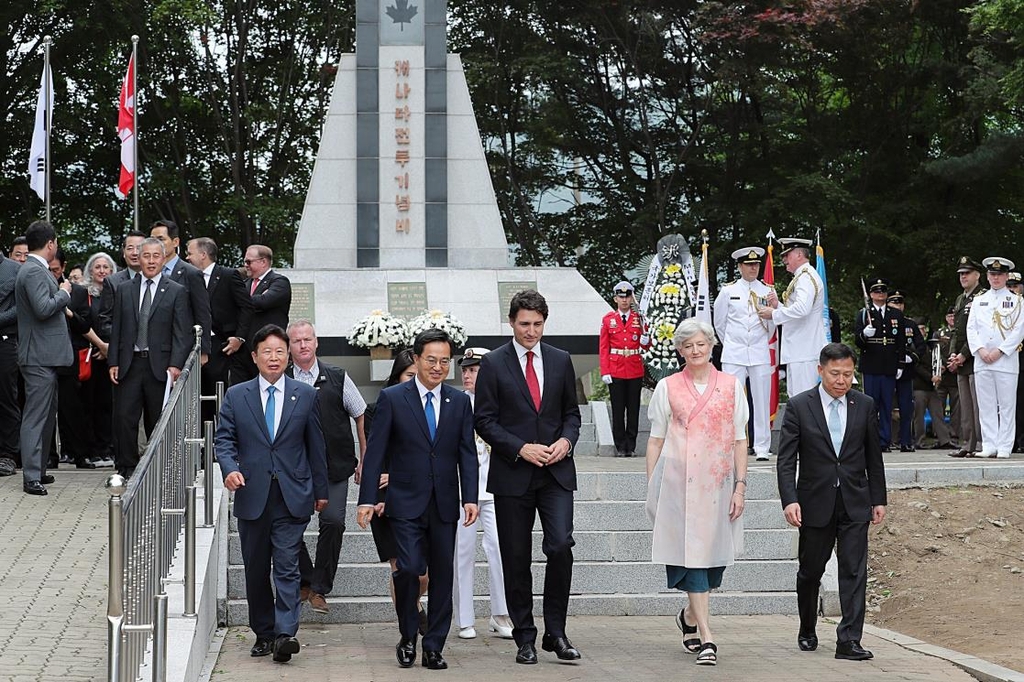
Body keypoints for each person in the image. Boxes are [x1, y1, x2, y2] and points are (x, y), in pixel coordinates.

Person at [356, 328, 479, 671]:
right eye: (431, 360)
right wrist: (367, 499)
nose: (438, 367)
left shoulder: (459, 402)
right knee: (409, 568)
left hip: (444, 503)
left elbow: (466, 453)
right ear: (417, 359)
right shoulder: (394, 398)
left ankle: (434, 645)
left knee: (442, 575)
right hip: (404, 502)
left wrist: (470, 497)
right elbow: (376, 452)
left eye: (444, 361)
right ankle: (408, 633)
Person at [474, 289, 583, 665]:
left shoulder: (560, 359)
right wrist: (520, 448)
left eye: (537, 324)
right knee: (516, 558)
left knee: (560, 546)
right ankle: (525, 636)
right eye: (524, 324)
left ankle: (557, 631)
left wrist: (567, 441)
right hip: (513, 474)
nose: (531, 331)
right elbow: (484, 420)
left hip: (555, 473)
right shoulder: (493, 364)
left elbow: (572, 412)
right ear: (511, 322)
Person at [215, 324, 328, 664]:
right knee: (255, 567)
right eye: (267, 351)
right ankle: (263, 633)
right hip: (252, 493)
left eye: (281, 350)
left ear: (289, 354)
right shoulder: (237, 395)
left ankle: (284, 634)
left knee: (287, 565)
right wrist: (229, 468)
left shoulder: (305, 395)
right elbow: (224, 439)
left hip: (292, 494)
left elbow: (316, 446)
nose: (275, 357)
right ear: (254, 356)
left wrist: (321, 491)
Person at [645, 319, 748, 667]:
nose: (695, 350)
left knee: (713, 565)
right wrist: (652, 485)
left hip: (717, 486)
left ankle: (689, 616)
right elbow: (656, 438)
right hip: (678, 484)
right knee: (693, 561)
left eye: (701, 344)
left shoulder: (732, 386)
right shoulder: (668, 387)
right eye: (688, 346)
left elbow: (739, 439)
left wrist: (740, 486)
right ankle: (707, 637)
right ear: (679, 351)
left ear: (712, 346)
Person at [777, 342, 887, 661]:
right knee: (811, 571)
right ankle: (807, 626)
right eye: (835, 373)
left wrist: (878, 498)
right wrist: (790, 499)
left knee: (854, 570)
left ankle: (849, 640)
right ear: (820, 370)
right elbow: (786, 460)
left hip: (855, 500)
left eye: (848, 375)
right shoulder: (799, 406)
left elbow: (873, 456)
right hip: (814, 502)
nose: (842, 380)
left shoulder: (864, 404)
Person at [286, 320, 367, 616]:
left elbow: (360, 414)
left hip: (334, 466)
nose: (303, 345)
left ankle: (319, 589)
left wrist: (365, 458)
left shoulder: (337, 376)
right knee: (287, 524)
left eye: (308, 339)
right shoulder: (281, 378)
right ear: (289, 346)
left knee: (333, 522)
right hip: (295, 469)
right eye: (297, 341)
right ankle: (305, 579)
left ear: (316, 342)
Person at [107, 238, 193, 477]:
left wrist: (176, 365)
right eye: (147, 256)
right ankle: (126, 467)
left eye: (156, 256)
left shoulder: (176, 290)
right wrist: (113, 360)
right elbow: (117, 329)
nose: (151, 261)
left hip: (161, 366)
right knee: (124, 417)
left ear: (163, 257)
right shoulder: (124, 289)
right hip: (130, 362)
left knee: (157, 419)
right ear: (139, 258)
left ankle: (157, 469)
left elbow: (182, 333)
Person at [364, 349, 430, 633]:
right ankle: (408, 625)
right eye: (409, 376)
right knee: (401, 568)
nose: (415, 382)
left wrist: (401, 476)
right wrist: (375, 499)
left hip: (420, 497)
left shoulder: (432, 407)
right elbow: (374, 460)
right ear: (397, 377)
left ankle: (412, 606)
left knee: (423, 574)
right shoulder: (378, 409)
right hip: (386, 500)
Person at [452, 347, 514, 640]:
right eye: (465, 369)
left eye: (473, 370)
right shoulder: (456, 403)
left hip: (495, 488)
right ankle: (464, 617)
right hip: (464, 491)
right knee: (463, 553)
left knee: (500, 551)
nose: (466, 374)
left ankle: (501, 613)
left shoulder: (502, 403)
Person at [15, 220, 73, 495]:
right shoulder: (34, 271)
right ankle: (30, 476)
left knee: (47, 414)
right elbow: (42, 308)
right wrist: (63, 293)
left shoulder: (35, 269)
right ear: (50, 244)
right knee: (36, 416)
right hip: (38, 355)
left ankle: (37, 469)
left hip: (45, 355)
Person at [714, 247, 775, 461]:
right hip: (734, 352)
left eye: (756, 264)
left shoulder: (768, 291)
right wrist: (732, 342)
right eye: (749, 265)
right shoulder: (728, 291)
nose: (753, 268)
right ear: (740, 267)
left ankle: (762, 447)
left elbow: (772, 324)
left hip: (759, 351)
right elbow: (720, 323)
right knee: (732, 400)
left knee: (761, 400)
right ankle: (732, 444)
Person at [48, 247, 103, 469]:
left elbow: (85, 324)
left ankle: (80, 454)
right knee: (44, 410)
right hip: (43, 356)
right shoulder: (37, 288)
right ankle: (49, 455)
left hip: (70, 356)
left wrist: (68, 310)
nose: (52, 274)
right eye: (48, 270)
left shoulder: (79, 292)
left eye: (56, 270)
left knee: (73, 408)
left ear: (63, 267)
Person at [185, 237, 251, 421]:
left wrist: (240, 337)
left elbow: (247, 307)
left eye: (190, 253)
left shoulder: (229, 275)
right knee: (197, 398)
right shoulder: (187, 277)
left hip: (221, 346)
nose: (187, 257)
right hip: (193, 344)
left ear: (203, 254)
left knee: (218, 396)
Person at [967, 257, 1024, 458]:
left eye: (999, 274)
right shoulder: (978, 300)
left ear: (1006, 276)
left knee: (1007, 405)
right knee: (986, 404)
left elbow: (1019, 330)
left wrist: (999, 351)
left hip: (1005, 361)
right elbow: (971, 329)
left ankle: (1005, 446)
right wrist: (981, 350)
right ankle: (989, 444)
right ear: (987, 276)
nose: (996, 277)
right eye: (992, 274)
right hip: (982, 360)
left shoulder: (1016, 301)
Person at [757, 237, 826, 396]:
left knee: (803, 400)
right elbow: (798, 311)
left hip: (804, 350)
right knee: (797, 399)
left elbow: (802, 309)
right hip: (800, 349)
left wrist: (773, 314)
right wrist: (778, 305)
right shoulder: (803, 276)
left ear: (799, 255)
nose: (784, 259)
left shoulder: (805, 278)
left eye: (787, 255)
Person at [853, 278, 904, 452]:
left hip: (889, 364)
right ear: (871, 294)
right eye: (876, 291)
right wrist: (864, 335)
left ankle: (885, 440)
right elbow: (857, 342)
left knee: (887, 405)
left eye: (882, 291)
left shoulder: (895, 314)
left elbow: (900, 342)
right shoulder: (863, 313)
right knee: (870, 405)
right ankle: (871, 440)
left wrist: (900, 364)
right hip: (871, 365)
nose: (880, 294)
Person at [598, 281, 649, 457]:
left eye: (627, 296)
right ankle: (620, 446)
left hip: (634, 368)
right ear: (615, 298)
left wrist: (646, 341)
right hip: (616, 369)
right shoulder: (608, 320)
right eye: (621, 296)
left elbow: (647, 344)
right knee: (618, 410)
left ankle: (631, 446)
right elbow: (603, 347)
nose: (624, 300)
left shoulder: (639, 318)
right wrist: (605, 371)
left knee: (633, 410)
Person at [149, 220, 212, 361]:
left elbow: (202, 313)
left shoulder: (191, 273)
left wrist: (203, 350)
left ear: (175, 242)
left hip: (182, 349)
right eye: (152, 240)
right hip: (152, 350)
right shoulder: (147, 272)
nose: (156, 245)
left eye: (161, 239)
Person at [233, 244, 291, 384]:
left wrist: (242, 300)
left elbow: (263, 302)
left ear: (263, 261)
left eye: (249, 262)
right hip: (244, 352)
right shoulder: (246, 284)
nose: (245, 265)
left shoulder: (279, 282)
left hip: (267, 350)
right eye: (245, 261)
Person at [947, 256, 986, 457]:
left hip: (976, 358)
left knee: (978, 404)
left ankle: (980, 443)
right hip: (961, 360)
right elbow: (956, 330)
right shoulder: (961, 298)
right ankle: (967, 443)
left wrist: (963, 354)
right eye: (961, 274)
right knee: (965, 404)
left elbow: (980, 331)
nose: (963, 277)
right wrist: (953, 353)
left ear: (977, 275)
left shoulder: (983, 297)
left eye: (967, 273)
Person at [82, 252, 118, 467]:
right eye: (98, 267)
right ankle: (92, 448)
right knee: (89, 404)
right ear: (90, 270)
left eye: (106, 267)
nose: (102, 271)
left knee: (109, 405)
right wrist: (99, 346)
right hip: (91, 356)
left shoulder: (118, 291)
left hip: (111, 356)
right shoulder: (84, 294)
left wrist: (109, 349)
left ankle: (108, 447)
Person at [887, 290, 924, 452]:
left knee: (906, 407)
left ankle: (906, 441)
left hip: (906, 371)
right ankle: (885, 440)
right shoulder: (884, 321)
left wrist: (913, 358)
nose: (898, 306)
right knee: (884, 406)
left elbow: (921, 345)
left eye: (900, 303)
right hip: (886, 369)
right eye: (894, 302)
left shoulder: (910, 324)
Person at [914, 320, 953, 449]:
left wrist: (938, 369)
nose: (923, 332)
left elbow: (934, 362)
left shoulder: (929, 346)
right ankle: (919, 441)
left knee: (938, 412)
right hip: (919, 386)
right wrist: (931, 376)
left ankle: (944, 440)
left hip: (931, 386)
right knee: (918, 415)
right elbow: (916, 366)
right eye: (920, 329)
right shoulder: (914, 346)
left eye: (924, 329)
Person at [0, 248, 21, 475]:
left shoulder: (14, 269)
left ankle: (8, 455)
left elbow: (20, 308)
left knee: (6, 398)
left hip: (5, 342)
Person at [933, 306, 960, 448]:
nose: (952, 319)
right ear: (946, 318)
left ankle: (954, 435)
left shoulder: (961, 331)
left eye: (954, 316)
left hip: (955, 374)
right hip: (942, 375)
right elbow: (936, 351)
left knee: (957, 408)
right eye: (950, 316)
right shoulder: (939, 333)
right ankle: (940, 436)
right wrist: (943, 365)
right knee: (939, 407)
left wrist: (954, 364)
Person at [1008, 272, 1024, 453]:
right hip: (1007, 359)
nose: (1012, 290)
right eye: (1009, 286)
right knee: (1008, 403)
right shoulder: (1002, 309)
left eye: (1015, 286)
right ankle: (1011, 441)